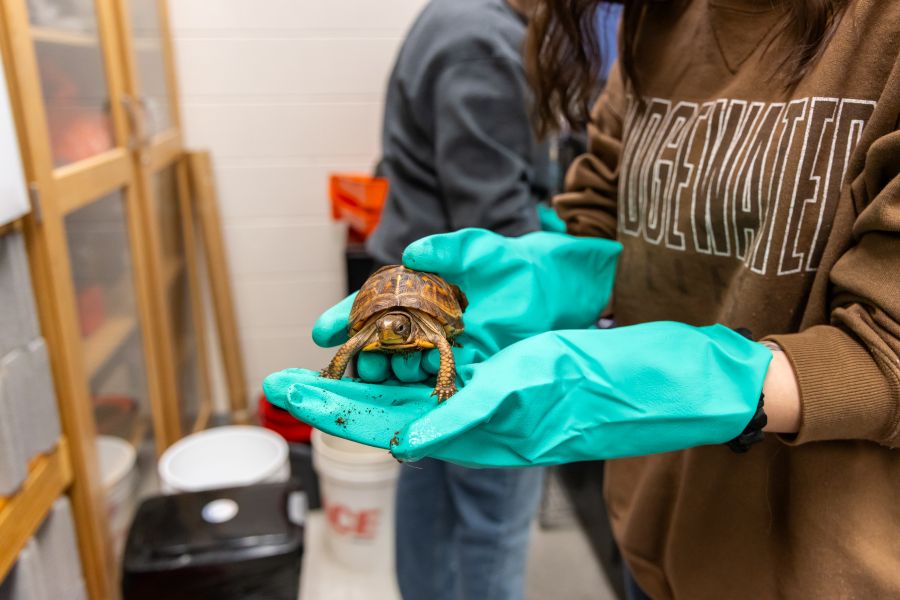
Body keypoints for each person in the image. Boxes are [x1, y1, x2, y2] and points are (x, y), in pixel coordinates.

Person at [265, 0, 900, 597]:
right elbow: (604, 203)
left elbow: (885, 346)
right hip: (650, 523)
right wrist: (559, 271)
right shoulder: (659, 19)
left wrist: (710, 383)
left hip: (814, 564)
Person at [362, 0, 549, 598]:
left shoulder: (455, 15)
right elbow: (494, 224)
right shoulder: (483, 42)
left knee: (426, 463)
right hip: (469, 317)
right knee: (493, 502)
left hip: (420, 293)